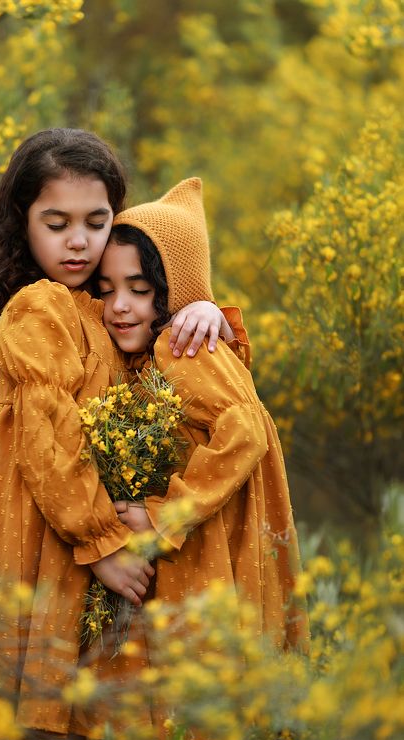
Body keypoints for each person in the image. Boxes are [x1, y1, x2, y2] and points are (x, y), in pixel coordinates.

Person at [0, 130, 243, 740]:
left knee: (57, 732)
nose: (78, 242)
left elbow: (175, 370)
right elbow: (47, 438)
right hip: (28, 533)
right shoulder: (38, 308)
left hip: (75, 541)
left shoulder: (104, 307)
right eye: (56, 223)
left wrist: (199, 306)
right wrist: (103, 545)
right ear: (22, 224)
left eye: (96, 223)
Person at [96, 177, 310, 668]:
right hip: (201, 555)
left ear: (175, 294)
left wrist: (163, 515)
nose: (119, 305)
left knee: (199, 685)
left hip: (205, 555)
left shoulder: (181, 347)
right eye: (106, 291)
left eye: (139, 289)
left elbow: (245, 430)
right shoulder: (159, 351)